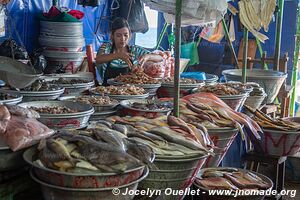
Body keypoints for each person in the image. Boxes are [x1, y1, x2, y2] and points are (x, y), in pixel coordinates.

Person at [95, 17, 163, 85]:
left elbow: (160, 58)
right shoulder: (106, 47)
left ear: (130, 35)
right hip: (107, 91)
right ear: (112, 36)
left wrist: (148, 56)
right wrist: (118, 55)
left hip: (130, 91)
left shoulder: (134, 50)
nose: (123, 39)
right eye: (118, 35)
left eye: (125, 35)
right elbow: (98, 59)